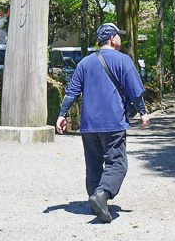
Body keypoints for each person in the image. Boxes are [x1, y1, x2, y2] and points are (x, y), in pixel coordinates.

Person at [55, 22, 149, 223]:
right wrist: (142, 112)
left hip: (88, 123)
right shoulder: (123, 60)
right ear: (113, 39)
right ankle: (103, 194)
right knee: (118, 163)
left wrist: (62, 114)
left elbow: (72, 91)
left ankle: (95, 202)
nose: (120, 39)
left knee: (94, 164)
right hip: (113, 121)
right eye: (119, 35)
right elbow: (135, 90)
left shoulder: (84, 63)